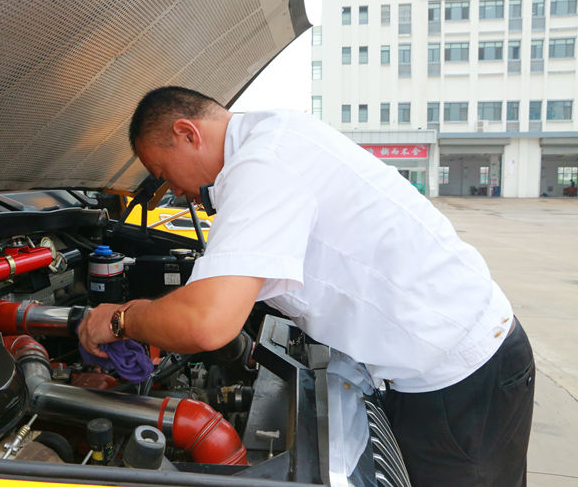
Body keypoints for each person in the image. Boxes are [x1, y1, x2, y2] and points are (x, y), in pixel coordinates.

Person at [78, 86, 535, 486]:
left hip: (462, 379)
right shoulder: (276, 136)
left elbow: (208, 323)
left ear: (187, 133)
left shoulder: (264, 162)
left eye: (163, 173)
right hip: (439, 368)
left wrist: (120, 320)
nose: (173, 191)